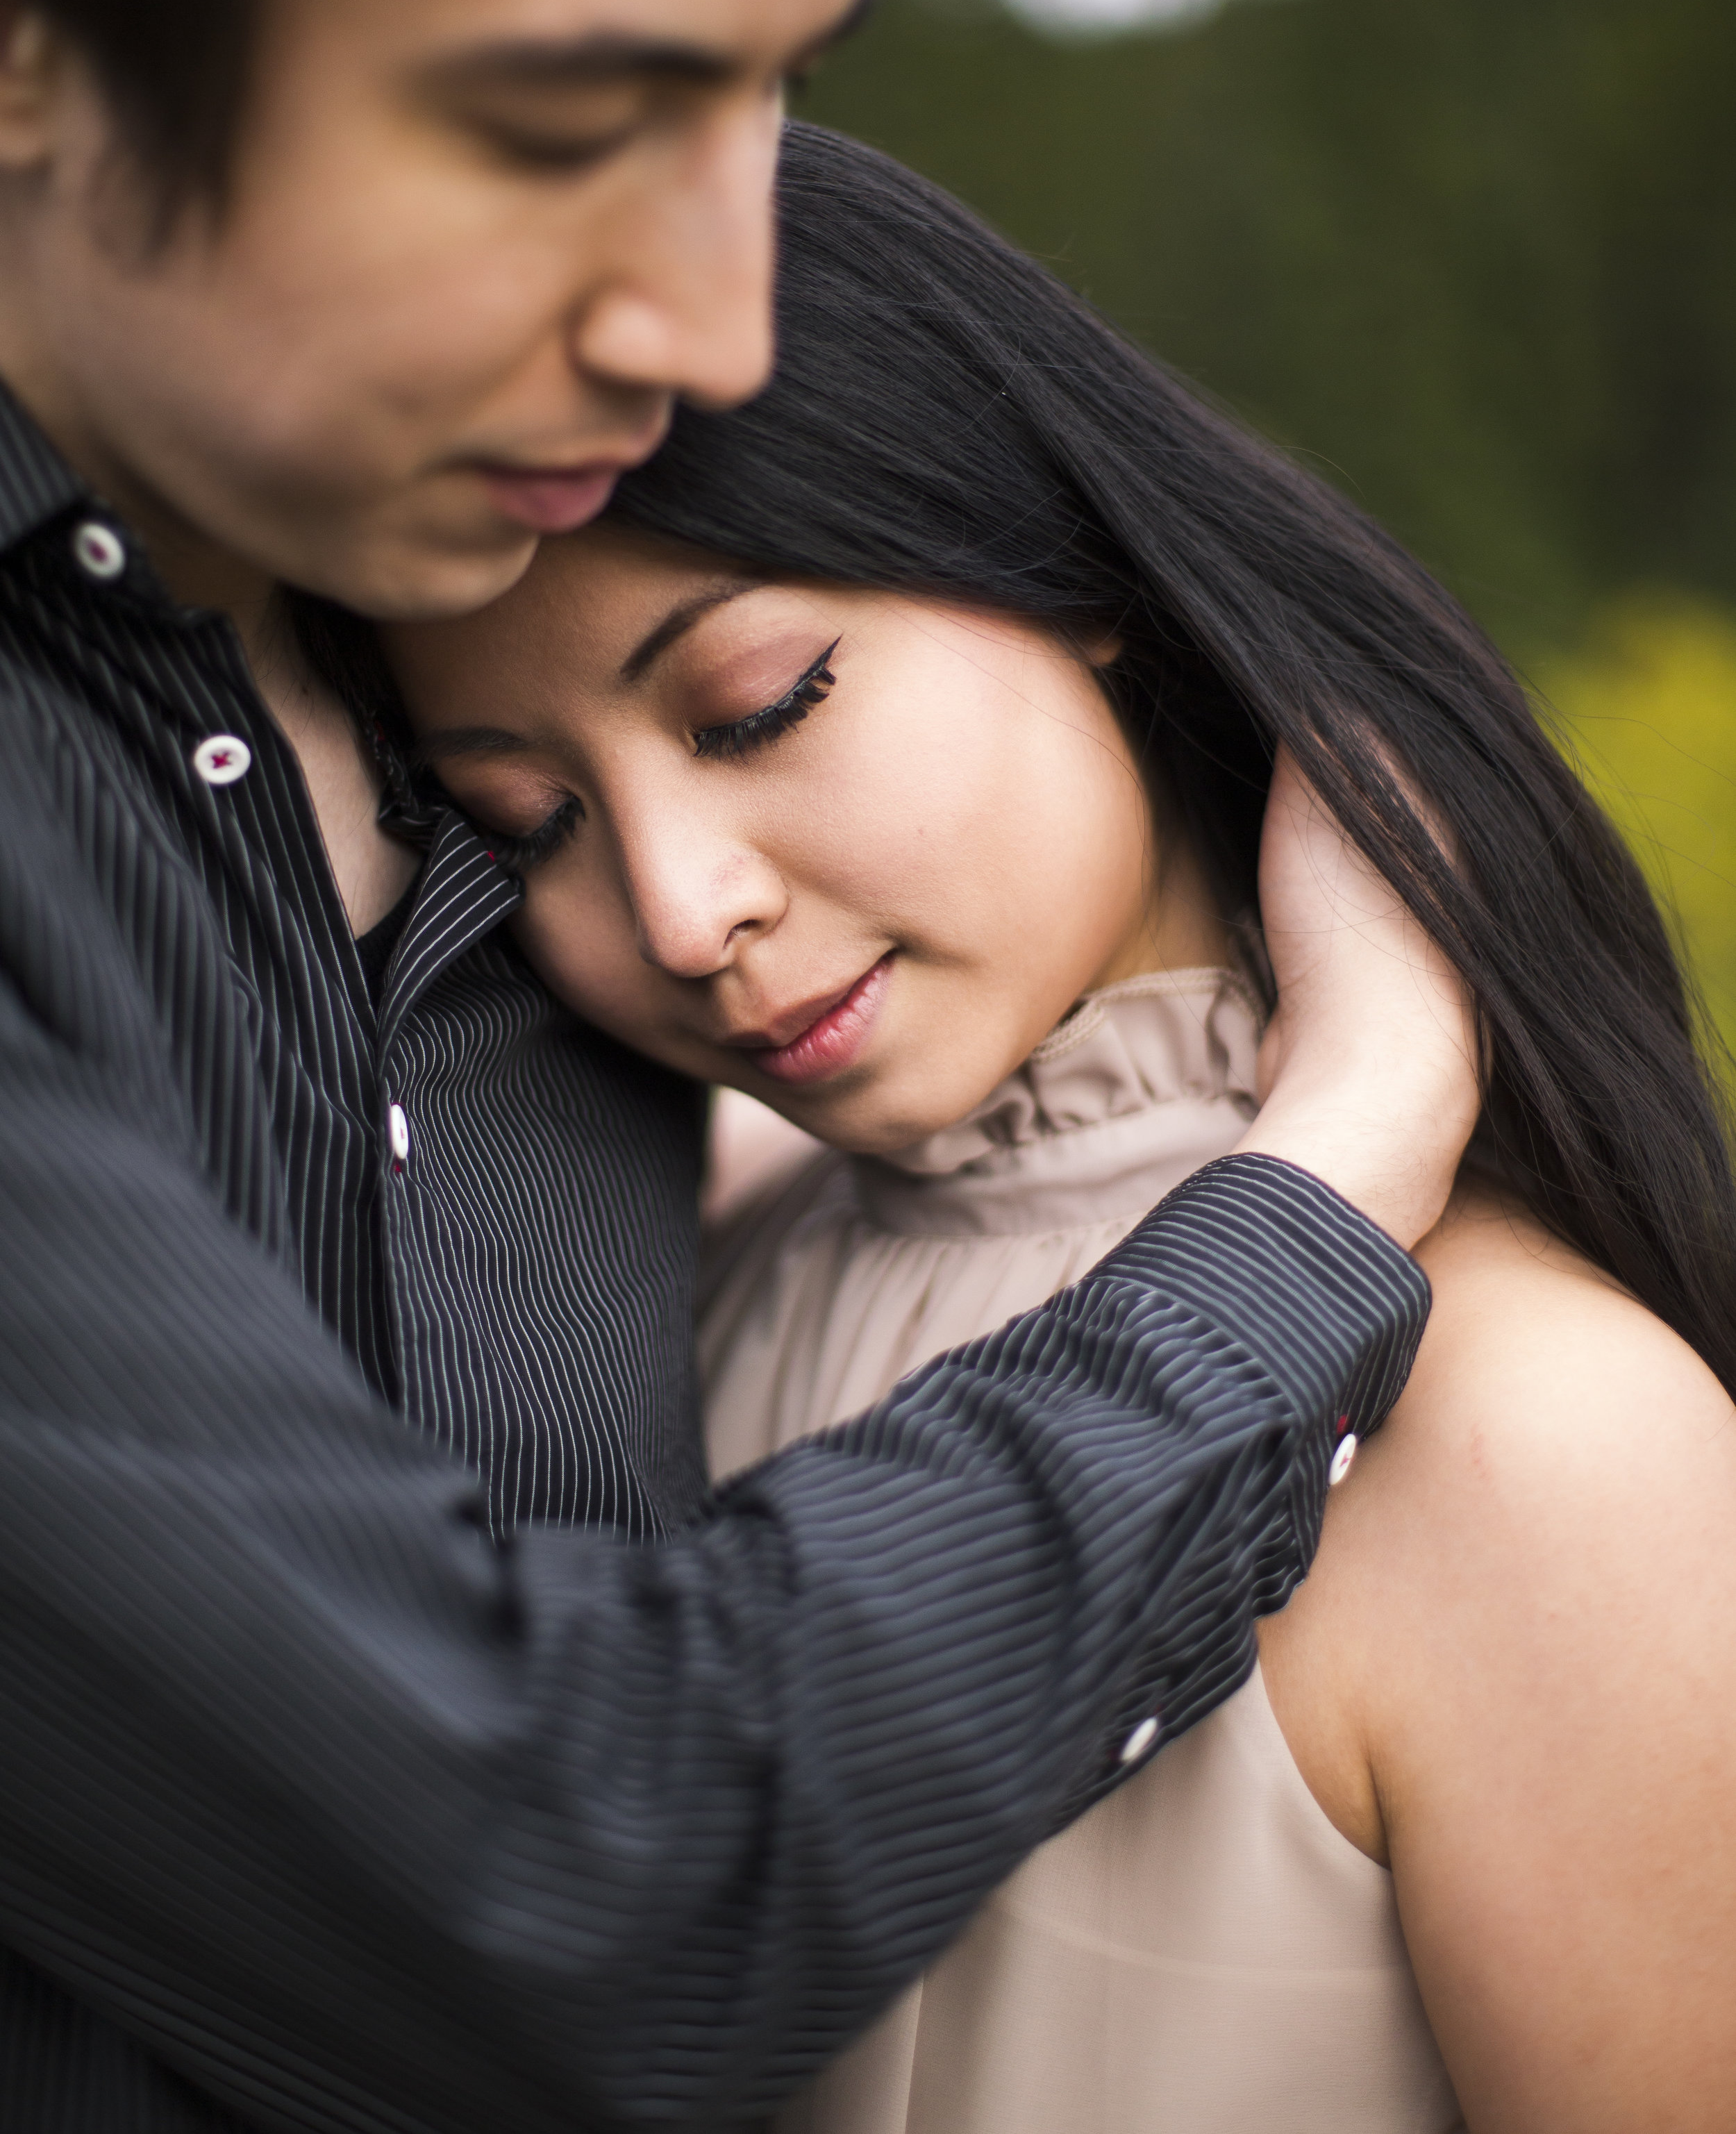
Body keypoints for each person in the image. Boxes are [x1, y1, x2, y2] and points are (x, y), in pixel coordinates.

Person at [0, 0, 1469, 2130]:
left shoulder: (456, 644)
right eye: (571, 119)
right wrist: (1334, 1165)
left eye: (771, 90)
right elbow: (568, 1896)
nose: (718, 331)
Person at [380, 125, 1736, 2134]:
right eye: (529, 827)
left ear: (1066, 571)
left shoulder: (1539, 1439)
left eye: (756, 704)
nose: (680, 910)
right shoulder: (688, 1283)